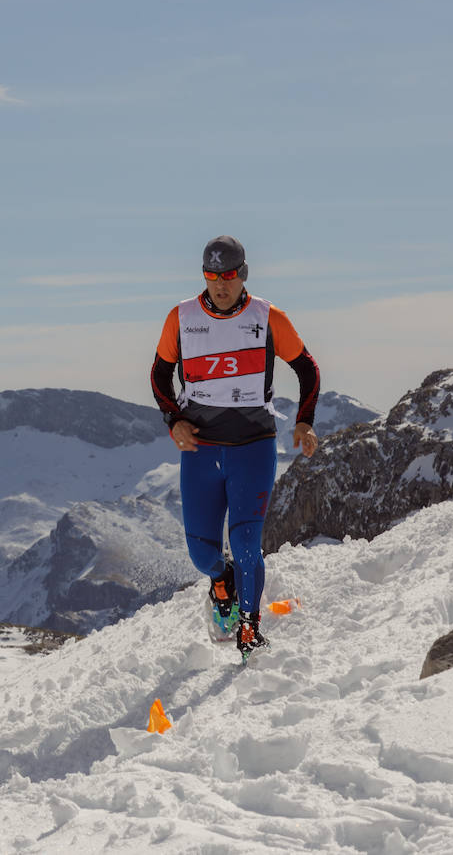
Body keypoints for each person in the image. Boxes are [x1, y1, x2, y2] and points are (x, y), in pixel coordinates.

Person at [150, 235, 320, 658]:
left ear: (242, 274)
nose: (220, 284)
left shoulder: (267, 317)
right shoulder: (182, 318)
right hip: (202, 451)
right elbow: (159, 376)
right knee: (201, 554)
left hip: (253, 446)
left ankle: (249, 627)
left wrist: (304, 421)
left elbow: (308, 369)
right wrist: (175, 421)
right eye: (211, 276)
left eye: (227, 275)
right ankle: (221, 579)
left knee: (247, 543)